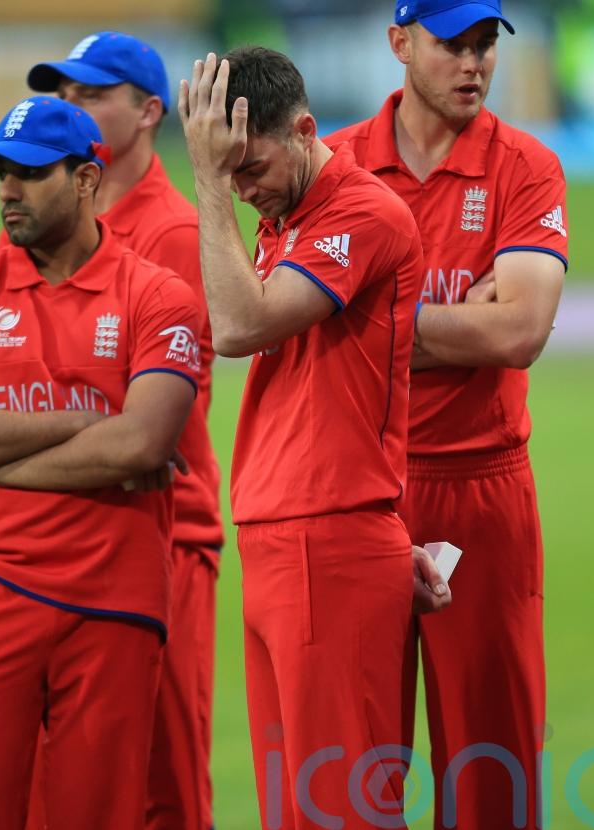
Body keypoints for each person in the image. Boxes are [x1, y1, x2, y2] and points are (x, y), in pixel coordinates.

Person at [0, 95, 202, 830]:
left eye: (30, 173)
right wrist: (83, 426)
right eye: (0, 173)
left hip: (115, 606)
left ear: (85, 180)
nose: (8, 190)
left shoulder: (158, 296)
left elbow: (142, 444)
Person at [180, 46, 446, 828]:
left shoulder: (361, 212)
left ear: (305, 129)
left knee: (343, 811)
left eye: (251, 167)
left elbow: (238, 326)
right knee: (295, 814)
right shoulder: (282, 221)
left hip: (328, 543)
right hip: (278, 541)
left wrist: (202, 180)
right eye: (228, 173)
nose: (241, 187)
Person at [327, 2, 568, 827]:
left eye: (485, 45)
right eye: (450, 44)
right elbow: (281, 325)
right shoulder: (333, 164)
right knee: (352, 770)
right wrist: (461, 322)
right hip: (360, 495)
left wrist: (364, 321)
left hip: (482, 490)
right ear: (398, 42)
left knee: (492, 772)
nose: (473, 64)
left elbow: (521, 329)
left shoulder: (526, 166)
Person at [22, 31, 224, 830]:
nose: (72, 108)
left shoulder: (173, 236)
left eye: (92, 95)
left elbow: (152, 432)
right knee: (61, 781)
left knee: (162, 780)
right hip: (64, 535)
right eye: (64, 96)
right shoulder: (51, 222)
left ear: (148, 113)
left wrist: (3, 443)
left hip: (163, 538)